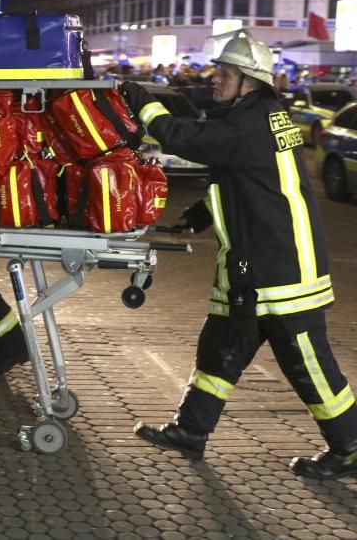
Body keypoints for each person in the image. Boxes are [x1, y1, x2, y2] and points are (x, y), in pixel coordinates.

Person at [121, 31, 357, 480]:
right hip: (259, 263)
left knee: (307, 362)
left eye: (224, 73)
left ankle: (350, 446)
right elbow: (247, 184)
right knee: (223, 345)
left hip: (283, 270)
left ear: (249, 80)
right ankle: (191, 430)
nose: (215, 79)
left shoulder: (248, 124)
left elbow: (181, 136)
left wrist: (144, 103)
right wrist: (198, 215)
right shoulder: (263, 118)